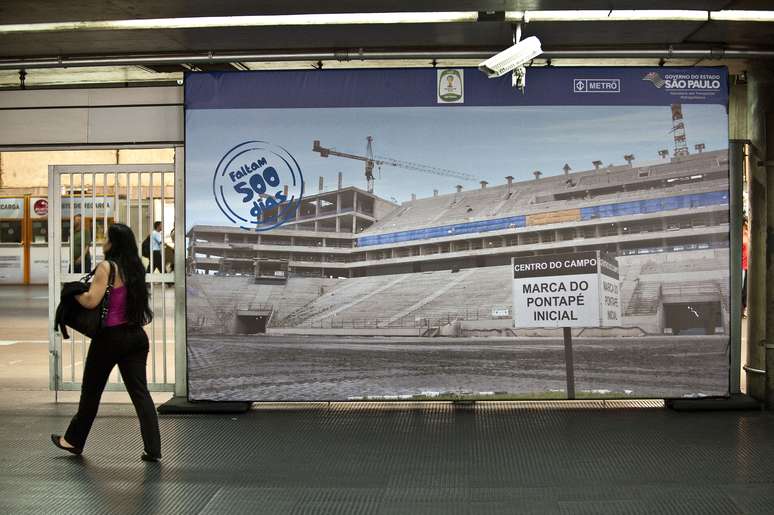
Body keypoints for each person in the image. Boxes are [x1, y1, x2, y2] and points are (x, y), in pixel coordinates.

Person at [51, 223, 161, 461]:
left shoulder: (107, 267)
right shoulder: (137, 268)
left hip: (110, 339)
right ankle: (153, 448)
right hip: (137, 337)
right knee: (141, 393)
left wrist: (72, 291)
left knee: (91, 392)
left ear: (113, 243)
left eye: (106, 239)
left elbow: (91, 301)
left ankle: (73, 441)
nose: (102, 243)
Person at [742, 217, 749, 318]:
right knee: (742, 288)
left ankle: (743, 310)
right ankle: (740, 310)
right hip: (741, 266)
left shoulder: (747, 233)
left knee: (746, 289)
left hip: (748, 265)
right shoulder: (738, 235)